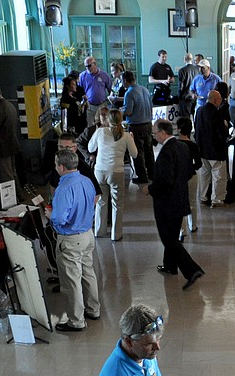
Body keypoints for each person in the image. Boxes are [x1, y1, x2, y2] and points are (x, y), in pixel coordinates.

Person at [145, 119, 205, 290]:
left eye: (155, 133)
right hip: (180, 199)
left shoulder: (166, 152)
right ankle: (170, 266)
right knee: (171, 233)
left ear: (163, 133)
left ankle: (192, 270)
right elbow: (187, 172)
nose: (154, 136)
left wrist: (150, 189)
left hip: (167, 203)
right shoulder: (183, 147)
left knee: (169, 238)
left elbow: (165, 181)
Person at [50, 149, 100, 332]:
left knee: (71, 281)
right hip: (87, 234)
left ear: (61, 166)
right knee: (88, 273)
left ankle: (76, 321)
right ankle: (94, 309)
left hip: (70, 238)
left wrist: (51, 216)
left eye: (56, 165)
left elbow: (60, 218)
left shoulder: (64, 188)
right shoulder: (86, 181)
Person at [88, 109, 138, 241]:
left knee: (101, 202)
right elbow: (134, 154)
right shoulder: (126, 135)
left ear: (108, 120)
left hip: (100, 171)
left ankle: (99, 231)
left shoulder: (100, 132)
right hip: (116, 172)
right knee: (117, 204)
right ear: (121, 120)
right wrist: (132, 139)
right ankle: (116, 235)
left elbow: (90, 148)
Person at [121, 71, 154, 185]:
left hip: (136, 126)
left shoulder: (129, 93)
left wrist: (121, 111)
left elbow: (129, 111)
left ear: (125, 80)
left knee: (137, 151)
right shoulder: (144, 89)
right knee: (149, 150)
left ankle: (142, 176)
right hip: (148, 123)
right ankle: (152, 173)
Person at [197, 90, 228, 208]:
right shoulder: (216, 113)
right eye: (220, 99)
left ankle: (203, 198)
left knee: (204, 175)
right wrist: (225, 127)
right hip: (216, 150)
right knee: (218, 176)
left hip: (203, 149)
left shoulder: (199, 111)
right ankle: (217, 200)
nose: (221, 101)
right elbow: (221, 133)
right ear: (215, 100)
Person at [175, 117, 202, 239]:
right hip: (191, 176)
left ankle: (182, 230)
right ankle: (193, 225)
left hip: (177, 178)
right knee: (192, 202)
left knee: (179, 204)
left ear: (179, 129)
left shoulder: (174, 145)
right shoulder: (193, 145)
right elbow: (199, 164)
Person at [79, 56, 111, 126]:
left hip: (102, 105)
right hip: (89, 106)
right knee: (90, 126)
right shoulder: (82, 76)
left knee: (104, 125)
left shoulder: (104, 75)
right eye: (86, 66)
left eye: (89, 65)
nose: (88, 68)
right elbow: (80, 91)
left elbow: (111, 90)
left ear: (95, 64)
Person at [178, 52, 201, 118]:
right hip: (195, 96)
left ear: (184, 59)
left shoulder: (182, 70)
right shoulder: (197, 69)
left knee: (185, 118)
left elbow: (181, 86)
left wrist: (179, 96)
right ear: (192, 59)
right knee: (195, 116)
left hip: (185, 97)